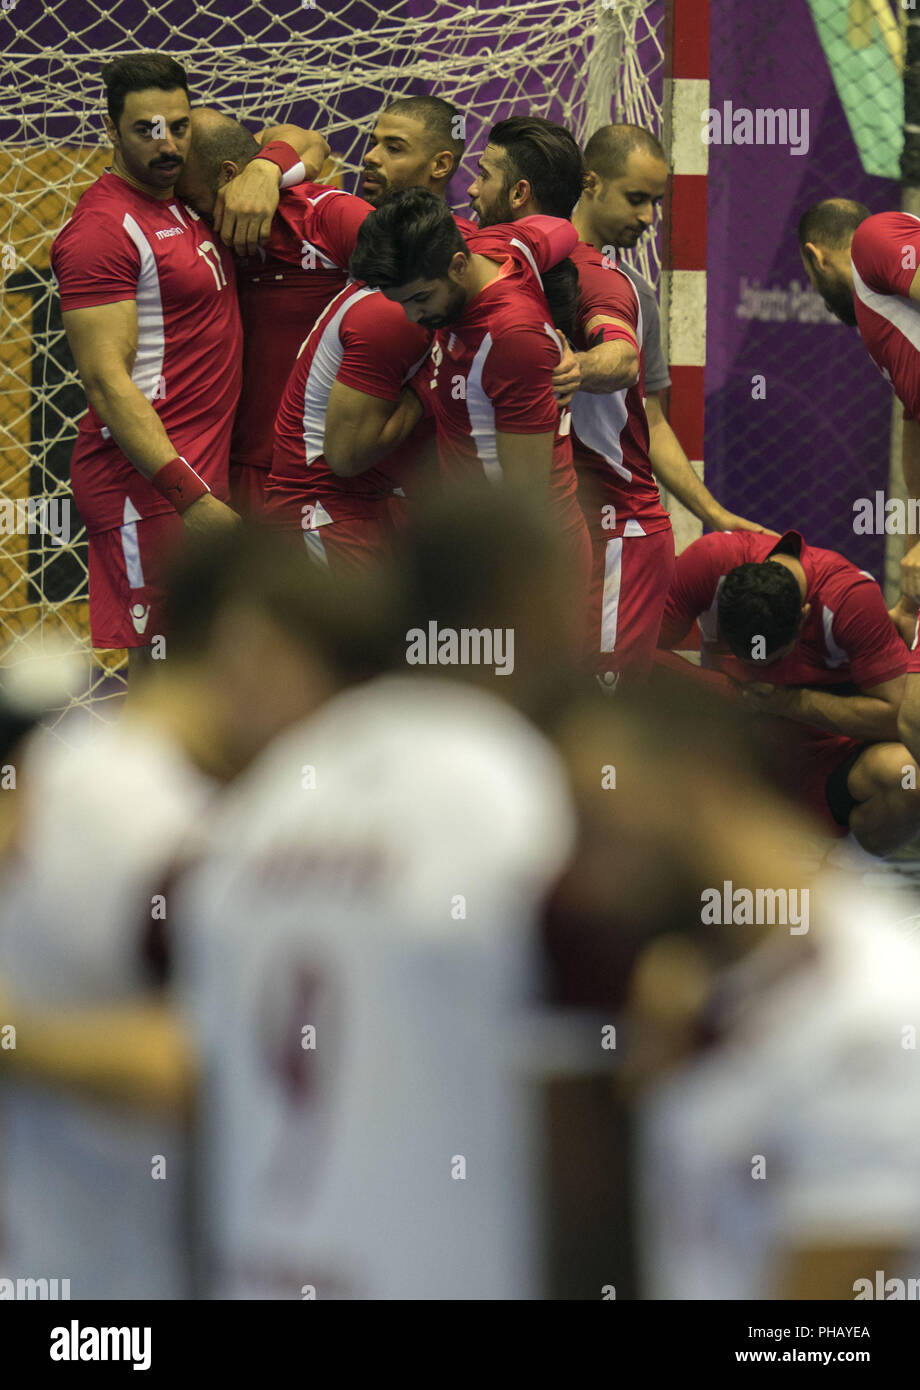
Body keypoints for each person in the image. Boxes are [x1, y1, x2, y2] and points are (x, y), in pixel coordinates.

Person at [0, 526, 393, 1299]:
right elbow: (205, 1067)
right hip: (107, 1279)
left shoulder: (65, 760)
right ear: (254, 652)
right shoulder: (166, 826)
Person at [349, 188, 591, 621]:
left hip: (518, 564)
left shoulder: (511, 338)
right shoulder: (496, 245)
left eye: (421, 299)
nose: (412, 317)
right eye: (400, 302)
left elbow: (524, 502)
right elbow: (562, 230)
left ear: (458, 266)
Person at [659, 527, 920, 852]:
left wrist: (787, 702)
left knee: (907, 778)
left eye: (773, 659)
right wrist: (726, 690)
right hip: (730, 742)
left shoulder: (849, 598)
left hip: (824, 751)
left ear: (803, 618)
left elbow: (899, 716)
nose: (758, 667)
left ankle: (845, 864)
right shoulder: (710, 561)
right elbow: (634, 651)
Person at [176, 108, 368, 517]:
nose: (189, 213)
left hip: (314, 470)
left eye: (192, 199)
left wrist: (262, 171)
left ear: (230, 176)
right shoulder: (180, 233)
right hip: (218, 463)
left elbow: (312, 141)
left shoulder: (322, 215)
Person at [798, 196, 920, 633]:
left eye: (809, 278)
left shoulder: (872, 238)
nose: (817, 293)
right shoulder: (883, 326)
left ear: (815, 257)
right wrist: (910, 602)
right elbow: (916, 463)